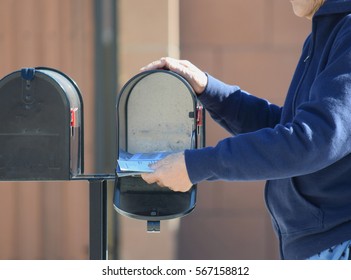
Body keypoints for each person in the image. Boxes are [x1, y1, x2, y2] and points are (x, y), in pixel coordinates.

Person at [140, 0, 351, 260]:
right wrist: (209, 89)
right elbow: (287, 129)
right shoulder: (327, 33)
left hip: (336, 246)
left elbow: (312, 140)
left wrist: (198, 165)